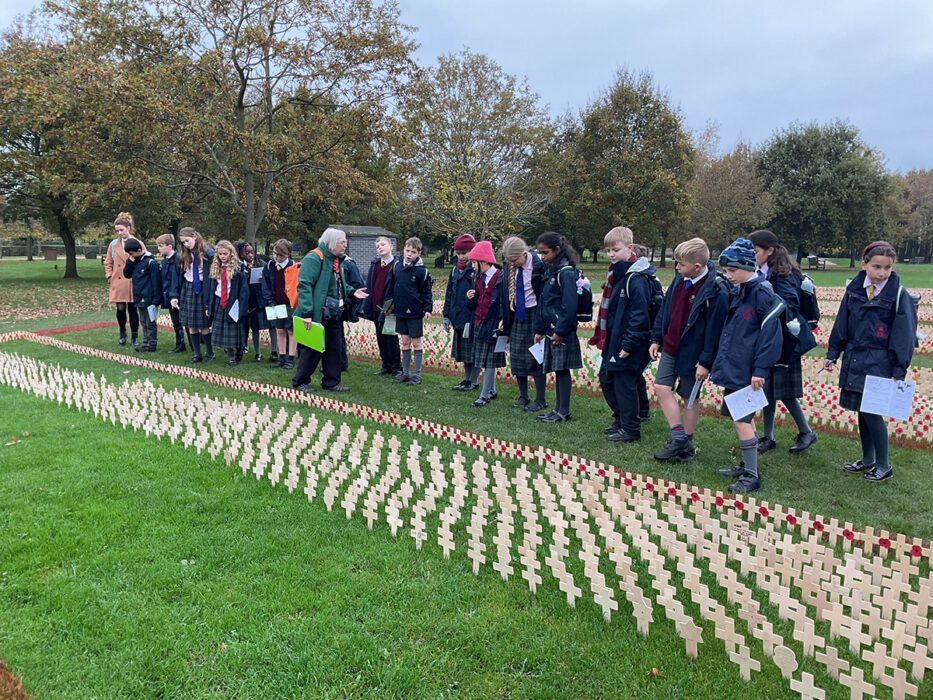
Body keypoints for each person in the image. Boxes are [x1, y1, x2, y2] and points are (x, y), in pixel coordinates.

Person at [824, 241, 917, 483]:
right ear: (865, 264)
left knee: (873, 412)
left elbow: (903, 334)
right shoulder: (855, 290)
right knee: (862, 412)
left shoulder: (897, 294)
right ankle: (868, 459)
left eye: (887, 268)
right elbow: (842, 322)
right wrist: (833, 352)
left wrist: (899, 368)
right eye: (877, 266)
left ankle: (884, 464)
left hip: (880, 363)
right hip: (856, 358)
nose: (882, 273)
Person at [712, 237, 784, 494]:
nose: (728, 275)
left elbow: (770, 336)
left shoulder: (762, 294)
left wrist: (760, 370)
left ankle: (752, 475)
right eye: (726, 270)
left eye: (733, 270)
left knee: (742, 420)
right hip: (736, 366)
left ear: (748, 267)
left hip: (748, 371)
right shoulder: (740, 291)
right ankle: (746, 464)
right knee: (743, 418)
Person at [649, 237, 728, 461]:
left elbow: (714, 330)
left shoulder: (715, 290)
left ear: (697, 267)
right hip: (671, 345)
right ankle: (678, 438)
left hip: (694, 353)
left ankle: (687, 442)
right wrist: (656, 337)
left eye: (680, 264)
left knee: (688, 397)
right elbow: (666, 309)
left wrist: (705, 361)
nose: (676, 267)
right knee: (662, 387)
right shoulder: (679, 279)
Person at [748, 230, 819, 454]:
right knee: (767, 389)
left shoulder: (783, 274)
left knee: (784, 391)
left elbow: (790, 305)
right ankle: (768, 437)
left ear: (769, 251)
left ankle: (806, 431)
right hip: (769, 336)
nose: (752, 254)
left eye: (755, 250)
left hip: (785, 338)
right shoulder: (762, 270)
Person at [291, 227, 368, 393]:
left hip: (333, 312)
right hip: (316, 313)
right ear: (332, 243)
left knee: (334, 348)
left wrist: (353, 291)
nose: (345, 245)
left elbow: (337, 284)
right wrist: (307, 314)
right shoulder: (314, 258)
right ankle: (300, 382)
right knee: (311, 349)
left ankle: (331, 382)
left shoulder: (335, 259)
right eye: (342, 242)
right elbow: (304, 286)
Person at [601, 228, 656, 443]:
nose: (611, 254)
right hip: (615, 337)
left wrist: (628, 344)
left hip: (628, 341)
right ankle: (623, 419)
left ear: (629, 248)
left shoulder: (636, 279)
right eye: (608, 250)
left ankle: (630, 428)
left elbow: (639, 316)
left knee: (623, 382)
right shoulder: (619, 274)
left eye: (615, 249)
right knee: (608, 377)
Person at [533, 232, 583, 423]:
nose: (542, 257)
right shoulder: (551, 271)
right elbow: (544, 302)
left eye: (545, 252)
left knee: (562, 370)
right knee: (557, 369)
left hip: (562, 330)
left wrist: (560, 331)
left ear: (557, 250)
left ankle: (564, 411)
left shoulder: (566, 272)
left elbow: (569, 306)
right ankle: (558, 409)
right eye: (540, 253)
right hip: (550, 329)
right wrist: (539, 329)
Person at [500, 236, 547, 411]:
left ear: (524, 253)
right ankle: (523, 396)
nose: (513, 263)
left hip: (535, 313)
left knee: (536, 357)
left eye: (515, 260)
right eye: (510, 261)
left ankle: (540, 399)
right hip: (518, 314)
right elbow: (506, 295)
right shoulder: (510, 268)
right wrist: (504, 318)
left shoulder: (539, 266)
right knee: (517, 355)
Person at [386, 237, 433, 386]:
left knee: (416, 343)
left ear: (419, 253)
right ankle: (405, 373)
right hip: (400, 311)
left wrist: (427, 308)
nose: (409, 254)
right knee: (405, 342)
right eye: (407, 250)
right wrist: (388, 307)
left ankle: (417, 376)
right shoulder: (396, 266)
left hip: (415, 312)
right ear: (403, 249)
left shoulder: (422, 271)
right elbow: (391, 288)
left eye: (413, 252)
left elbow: (426, 292)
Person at [465, 240, 506, 406]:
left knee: (490, 360)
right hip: (480, 321)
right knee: (483, 358)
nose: (472, 266)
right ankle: (492, 390)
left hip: (493, 322)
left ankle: (484, 395)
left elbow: (502, 301)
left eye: (474, 262)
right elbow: (477, 302)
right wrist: (471, 298)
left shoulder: (500, 277)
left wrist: (503, 320)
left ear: (483, 261)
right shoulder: (479, 277)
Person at [169, 227, 215, 363]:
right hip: (188, 288)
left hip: (202, 288)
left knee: (204, 324)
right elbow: (176, 277)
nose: (185, 244)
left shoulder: (208, 253)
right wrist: (174, 295)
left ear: (195, 236)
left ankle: (210, 352)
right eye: (183, 242)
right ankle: (197, 353)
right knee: (191, 324)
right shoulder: (182, 255)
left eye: (187, 241)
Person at [362, 236, 402, 378]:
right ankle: (385, 365)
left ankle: (396, 367)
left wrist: (393, 306)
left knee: (391, 338)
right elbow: (370, 285)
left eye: (383, 244)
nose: (380, 247)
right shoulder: (375, 265)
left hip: (389, 308)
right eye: (377, 246)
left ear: (391, 247)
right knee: (380, 337)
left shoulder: (397, 265)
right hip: (375, 307)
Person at [444, 234, 479, 391]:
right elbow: (449, 293)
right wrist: (446, 314)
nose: (461, 257)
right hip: (458, 314)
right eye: (458, 253)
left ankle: (474, 380)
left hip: (471, 316)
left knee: (472, 350)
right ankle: (466, 379)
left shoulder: (476, 270)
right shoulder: (454, 270)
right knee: (464, 353)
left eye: (464, 253)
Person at [105, 212, 144, 349]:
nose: (120, 233)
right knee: (120, 309)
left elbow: (143, 261)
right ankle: (122, 332)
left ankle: (135, 337)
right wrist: (109, 276)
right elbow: (108, 262)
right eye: (117, 230)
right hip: (118, 281)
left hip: (133, 281)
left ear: (128, 227)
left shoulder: (138, 243)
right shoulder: (114, 244)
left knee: (133, 309)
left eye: (122, 230)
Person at [209, 240, 250, 365]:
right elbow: (213, 286)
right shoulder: (216, 268)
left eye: (225, 254)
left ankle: (238, 351)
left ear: (231, 254)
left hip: (233, 302)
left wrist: (242, 307)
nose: (222, 256)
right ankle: (230, 355)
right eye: (220, 254)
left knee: (233, 329)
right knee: (223, 330)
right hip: (219, 301)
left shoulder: (238, 269)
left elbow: (243, 291)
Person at [262, 239, 297, 370]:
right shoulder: (270, 266)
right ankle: (281, 356)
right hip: (275, 303)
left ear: (288, 254)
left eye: (280, 255)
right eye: (274, 253)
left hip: (290, 304)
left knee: (291, 331)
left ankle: (291, 358)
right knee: (280, 330)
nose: (276, 257)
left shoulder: (294, 266)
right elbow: (265, 285)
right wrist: (270, 301)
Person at [122, 238, 162, 352]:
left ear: (139, 250)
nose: (131, 255)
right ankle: (145, 343)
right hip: (139, 296)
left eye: (132, 253)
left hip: (149, 297)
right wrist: (130, 262)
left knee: (150, 322)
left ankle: (151, 344)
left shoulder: (150, 262)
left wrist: (156, 300)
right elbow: (127, 274)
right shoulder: (134, 261)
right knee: (143, 322)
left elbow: (156, 282)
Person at [236, 240, 270, 362]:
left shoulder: (261, 263)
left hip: (260, 299)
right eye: (247, 253)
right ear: (241, 254)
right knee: (249, 326)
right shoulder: (239, 266)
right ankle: (249, 348)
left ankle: (274, 351)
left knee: (268, 325)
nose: (251, 255)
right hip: (247, 301)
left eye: (252, 252)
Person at [156, 234, 186, 353]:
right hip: (168, 295)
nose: (158, 248)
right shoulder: (164, 261)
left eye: (160, 246)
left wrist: (176, 296)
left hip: (177, 296)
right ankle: (180, 342)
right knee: (175, 321)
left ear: (169, 246)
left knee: (180, 321)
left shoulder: (177, 260)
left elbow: (177, 280)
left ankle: (182, 343)